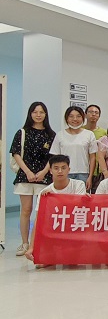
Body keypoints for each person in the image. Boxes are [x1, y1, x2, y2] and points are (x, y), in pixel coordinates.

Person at [10, 102, 55, 256]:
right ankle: (24, 243)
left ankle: (38, 243)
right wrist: (28, 171)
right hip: (25, 176)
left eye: (41, 112)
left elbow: (53, 156)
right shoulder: (22, 132)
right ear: (30, 114)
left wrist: (44, 172)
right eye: (35, 112)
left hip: (44, 176)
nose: (38, 115)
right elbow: (16, 153)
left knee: (42, 211)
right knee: (26, 210)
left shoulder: (51, 134)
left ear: (45, 114)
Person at [24, 155, 88, 263]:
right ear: (50, 171)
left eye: (63, 168)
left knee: (72, 262)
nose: (60, 171)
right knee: (41, 263)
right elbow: (38, 221)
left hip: (74, 228)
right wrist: (31, 247)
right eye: (56, 168)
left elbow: (78, 207)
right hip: (55, 229)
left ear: (69, 169)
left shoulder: (78, 185)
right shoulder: (45, 193)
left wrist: (55, 199)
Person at [50, 106, 97, 191]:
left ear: (83, 118)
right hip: (64, 173)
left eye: (78, 116)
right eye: (71, 116)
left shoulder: (89, 134)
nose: (75, 119)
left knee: (82, 198)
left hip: (83, 174)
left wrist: (90, 176)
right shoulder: (60, 135)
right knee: (64, 197)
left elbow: (92, 157)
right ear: (66, 118)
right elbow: (55, 158)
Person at [84, 104, 107, 192]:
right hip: (84, 169)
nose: (93, 114)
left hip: (98, 171)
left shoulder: (104, 133)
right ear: (85, 115)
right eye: (90, 112)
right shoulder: (80, 130)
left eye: (96, 113)